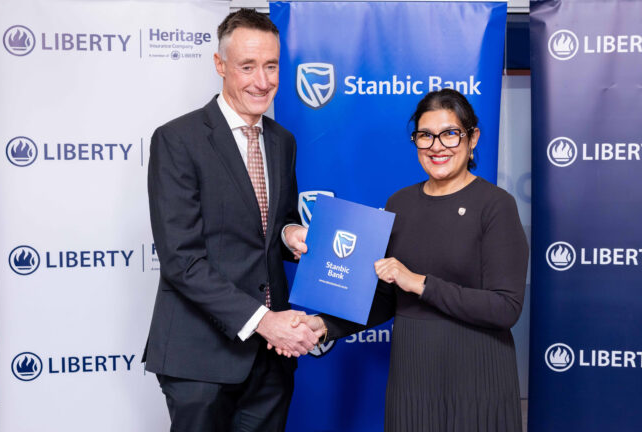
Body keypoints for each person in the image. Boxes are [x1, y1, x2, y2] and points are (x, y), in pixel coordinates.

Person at [287, 89, 529, 431]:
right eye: (425, 135)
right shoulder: (400, 203)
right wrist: (326, 326)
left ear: (472, 138)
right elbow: (384, 298)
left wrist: (419, 283)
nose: (437, 145)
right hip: (413, 375)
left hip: (478, 374)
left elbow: (506, 307)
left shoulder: (495, 205)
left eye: (450, 134)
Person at [143, 9, 317, 432]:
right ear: (220, 65)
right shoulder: (177, 140)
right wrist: (265, 322)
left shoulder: (281, 141)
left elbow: (269, 229)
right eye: (248, 66)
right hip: (200, 358)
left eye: (272, 66)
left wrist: (290, 233)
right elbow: (182, 261)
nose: (263, 81)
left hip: (270, 363)